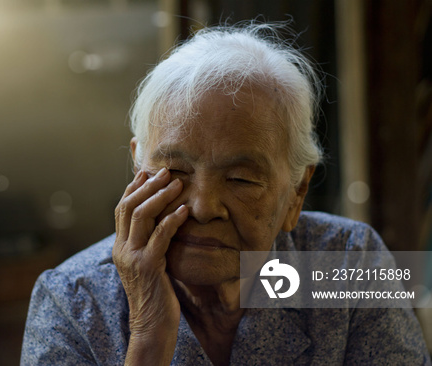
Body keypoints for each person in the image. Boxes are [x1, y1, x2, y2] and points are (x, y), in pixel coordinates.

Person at [21, 22, 431, 365]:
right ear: (137, 171)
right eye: (175, 171)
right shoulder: (73, 301)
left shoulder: (342, 265)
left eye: (241, 179)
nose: (202, 207)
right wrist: (148, 337)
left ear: (296, 193)